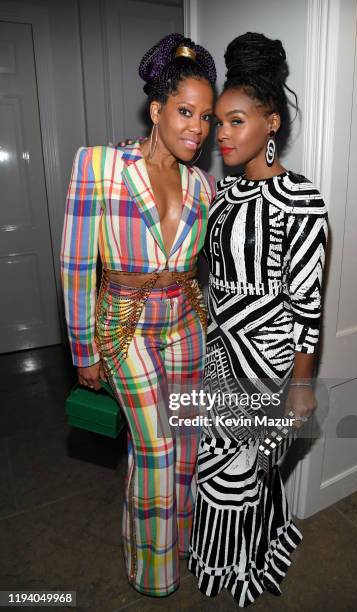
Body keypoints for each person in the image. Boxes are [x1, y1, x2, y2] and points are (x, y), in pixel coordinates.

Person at [60, 33, 217, 597]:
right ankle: (151, 573)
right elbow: (77, 263)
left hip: (185, 326)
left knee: (187, 441)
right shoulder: (101, 165)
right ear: (155, 109)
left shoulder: (203, 182)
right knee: (154, 447)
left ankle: (179, 545)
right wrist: (84, 352)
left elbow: (199, 266)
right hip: (124, 326)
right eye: (183, 112)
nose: (196, 128)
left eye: (204, 116)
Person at [187, 33, 329, 607]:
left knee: (247, 477)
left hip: (265, 366)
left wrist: (301, 385)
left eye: (235, 121)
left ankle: (248, 565)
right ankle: (225, 562)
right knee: (218, 469)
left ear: (271, 123)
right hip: (218, 357)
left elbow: (307, 306)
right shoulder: (220, 195)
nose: (220, 134)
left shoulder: (303, 201)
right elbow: (206, 277)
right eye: (219, 121)